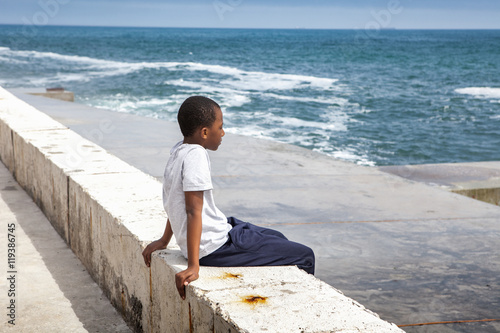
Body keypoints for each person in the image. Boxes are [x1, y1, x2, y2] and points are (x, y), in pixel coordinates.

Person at [142, 96, 315, 300]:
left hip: (220, 230)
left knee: (277, 237)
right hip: (216, 247)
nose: (223, 133)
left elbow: (174, 201)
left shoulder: (178, 150)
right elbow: (192, 210)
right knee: (306, 255)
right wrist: (193, 266)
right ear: (205, 132)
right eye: (220, 127)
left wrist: (164, 240)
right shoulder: (196, 155)